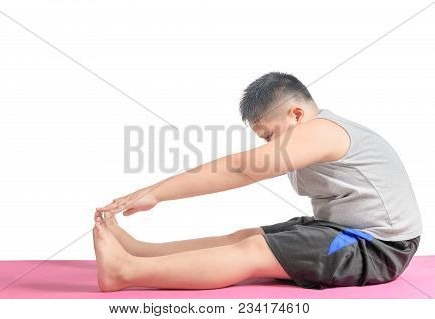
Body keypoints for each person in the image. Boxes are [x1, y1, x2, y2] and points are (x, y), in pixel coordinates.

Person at [93, 72, 422, 291]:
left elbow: (241, 169)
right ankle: (141, 253)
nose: (269, 145)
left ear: (296, 114)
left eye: (269, 135)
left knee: (253, 251)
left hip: (379, 248)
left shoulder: (322, 130)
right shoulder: (314, 133)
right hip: (340, 230)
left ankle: (125, 272)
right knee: (246, 236)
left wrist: (157, 193)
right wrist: (153, 193)